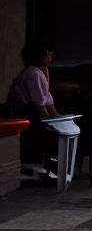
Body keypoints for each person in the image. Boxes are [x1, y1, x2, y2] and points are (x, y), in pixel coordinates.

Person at [7, 40, 61, 187]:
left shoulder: (39, 72)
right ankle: (35, 173)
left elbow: (47, 99)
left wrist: (57, 120)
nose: (50, 57)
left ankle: (44, 171)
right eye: (48, 54)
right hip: (26, 113)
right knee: (45, 138)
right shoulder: (32, 73)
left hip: (32, 111)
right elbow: (39, 103)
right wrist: (50, 122)